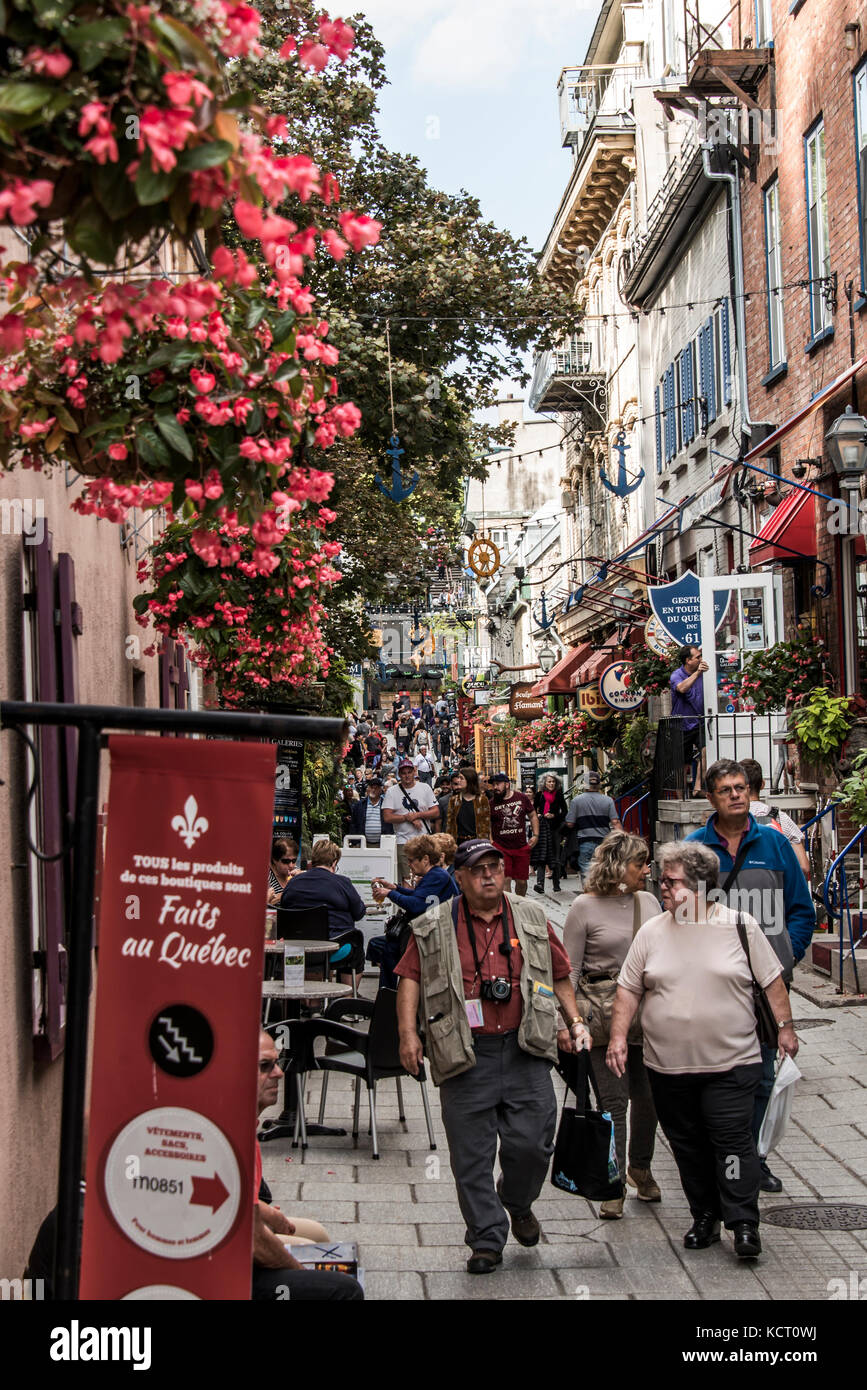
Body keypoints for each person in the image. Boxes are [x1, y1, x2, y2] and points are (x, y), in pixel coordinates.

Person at [395, 838, 591, 1274]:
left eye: (495, 866)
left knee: (535, 1146)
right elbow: (409, 978)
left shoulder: (531, 916)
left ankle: (517, 1201)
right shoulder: (434, 924)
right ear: (459, 877)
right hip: (465, 1053)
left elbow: (560, 973)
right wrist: (408, 1036)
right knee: (471, 1157)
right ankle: (486, 1238)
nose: (489, 875)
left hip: (525, 1049)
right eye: (478, 868)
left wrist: (573, 1021)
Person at [608, 841, 798, 1261]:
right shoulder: (652, 932)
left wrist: (785, 1028)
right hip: (667, 1067)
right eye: (661, 879)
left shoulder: (739, 925)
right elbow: (628, 988)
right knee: (688, 1144)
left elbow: (772, 982)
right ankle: (705, 1216)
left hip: (732, 1062)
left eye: (671, 881)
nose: (662, 887)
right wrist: (619, 1037)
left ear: (700, 886)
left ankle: (743, 1221)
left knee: (731, 1142)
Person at [686, 758, 815, 1194]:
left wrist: (786, 955)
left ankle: (753, 1157)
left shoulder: (775, 845)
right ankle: (721, 1155)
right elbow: (680, 918)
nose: (737, 794)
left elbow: (801, 908)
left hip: (765, 986)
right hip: (711, 986)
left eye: (741, 787)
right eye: (726, 789)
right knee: (715, 1076)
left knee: (761, 1075)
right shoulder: (694, 850)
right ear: (711, 797)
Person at [563, 831, 661, 1218]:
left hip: (648, 1018)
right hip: (602, 1017)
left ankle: (640, 1166)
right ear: (619, 866)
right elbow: (568, 970)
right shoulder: (583, 908)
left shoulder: (649, 902)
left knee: (649, 1098)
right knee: (613, 1101)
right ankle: (613, 1182)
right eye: (640, 863)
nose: (647, 870)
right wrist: (567, 1023)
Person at [253, 1029, 364, 1299]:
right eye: (265, 1066)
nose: (279, 1073)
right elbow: (252, 1239)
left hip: (243, 1237)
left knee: (318, 1235)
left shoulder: (245, 1126)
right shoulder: (226, 1135)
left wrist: (268, 1214)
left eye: (278, 1063)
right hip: (229, 1266)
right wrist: (300, 1272)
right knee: (344, 1289)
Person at [279, 838, 366, 939]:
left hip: (299, 946)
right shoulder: (343, 882)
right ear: (334, 863)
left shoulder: (292, 883)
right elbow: (359, 913)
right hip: (336, 945)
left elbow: (284, 909)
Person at [739, 757, 810, 877]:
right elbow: (804, 867)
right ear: (762, 784)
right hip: (773, 890)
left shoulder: (729, 819)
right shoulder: (779, 818)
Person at [372, 833, 459, 917]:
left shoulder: (437, 876)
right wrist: (395, 888)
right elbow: (419, 896)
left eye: (411, 860)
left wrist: (389, 893)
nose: (408, 864)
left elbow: (415, 905)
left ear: (425, 859)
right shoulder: (435, 873)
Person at [382, 758, 441, 882]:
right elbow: (387, 816)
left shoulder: (425, 788)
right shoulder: (392, 792)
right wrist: (406, 817)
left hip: (423, 839)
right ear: (399, 774)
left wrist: (417, 815)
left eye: (409, 772)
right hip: (403, 840)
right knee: (407, 877)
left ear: (414, 772)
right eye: (404, 773)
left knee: (426, 877)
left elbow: (435, 811)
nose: (407, 775)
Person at [563, 771, 622, 883]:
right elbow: (615, 822)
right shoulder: (608, 800)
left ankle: (589, 896)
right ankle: (602, 895)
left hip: (584, 842)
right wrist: (624, 838)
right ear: (599, 784)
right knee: (603, 869)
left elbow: (570, 823)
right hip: (604, 842)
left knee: (586, 872)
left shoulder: (576, 801)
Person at [488, 771, 539, 897]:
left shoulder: (521, 798)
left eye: (497, 784)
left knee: (521, 882)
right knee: (506, 879)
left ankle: (519, 903)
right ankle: (509, 908)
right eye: (493, 785)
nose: (495, 787)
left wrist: (536, 835)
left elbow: (532, 815)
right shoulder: (491, 803)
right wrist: (491, 842)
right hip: (501, 847)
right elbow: (487, 823)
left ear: (507, 784)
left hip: (521, 846)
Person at [670, 645, 709, 796]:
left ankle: (698, 787)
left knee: (706, 751)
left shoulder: (704, 674)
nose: (700, 659)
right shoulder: (677, 675)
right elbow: (682, 688)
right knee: (680, 764)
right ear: (688, 660)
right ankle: (681, 797)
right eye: (697, 657)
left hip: (699, 722)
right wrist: (698, 673)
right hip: (681, 725)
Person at [531, 773, 568, 895]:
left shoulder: (558, 795)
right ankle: (540, 884)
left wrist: (554, 815)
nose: (551, 784)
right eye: (549, 782)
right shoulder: (539, 795)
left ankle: (556, 884)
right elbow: (532, 811)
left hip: (555, 828)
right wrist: (538, 815)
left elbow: (565, 812)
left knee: (555, 856)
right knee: (542, 855)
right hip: (542, 828)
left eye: (553, 782)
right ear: (544, 783)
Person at [446, 766, 492, 845]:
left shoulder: (482, 800)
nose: (458, 781)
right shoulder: (453, 800)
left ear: (469, 780)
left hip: (477, 843)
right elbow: (450, 826)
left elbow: (486, 826)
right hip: (458, 844)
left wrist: (485, 845)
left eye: (461, 778)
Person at [349, 775, 392, 847]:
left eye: (376, 788)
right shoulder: (359, 805)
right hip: (363, 844)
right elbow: (354, 824)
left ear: (381, 790)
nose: (373, 790)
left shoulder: (387, 805)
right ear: (367, 789)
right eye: (371, 787)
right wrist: (354, 842)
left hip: (383, 844)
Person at [267, 837, 299, 906]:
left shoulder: (295, 872)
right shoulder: (267, 877)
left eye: (294, 861)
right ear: (275, 860)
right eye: (286, 861)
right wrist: (285, 893)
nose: (291, 865)